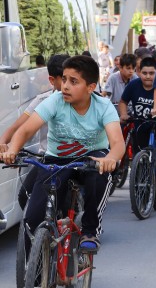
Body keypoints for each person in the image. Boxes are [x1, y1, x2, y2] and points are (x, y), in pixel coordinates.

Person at [1, 55, 125, 253]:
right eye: (64, 79)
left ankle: (90, 231)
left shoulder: (103, 106)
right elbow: (25, 130)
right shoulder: (55, 101)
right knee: (32, 220)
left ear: (90, 87)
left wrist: (110, 158)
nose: (65, 86)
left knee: (99, 176)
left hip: (91, 158)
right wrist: (13, 150)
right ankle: (32, 272)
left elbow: (118, 143)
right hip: (56, 160)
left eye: (73, 81)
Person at [0, 54, 69, 209]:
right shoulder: (42, 100)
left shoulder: (81, 100)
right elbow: (20, 127)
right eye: (64, 79)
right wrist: (4, 143)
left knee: (65, 199)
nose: (68, 85)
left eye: (73, 79)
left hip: (72, 160)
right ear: (52, 80)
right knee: (24, 195)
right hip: (47, 159)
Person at [118, 57, 156, 152]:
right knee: (137, 153)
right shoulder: (133, 85)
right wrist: (124, 114)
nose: (148, 76)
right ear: (139, 72)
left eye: (152, 73)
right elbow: (123, 102)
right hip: (138, 125)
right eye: (144, 73)